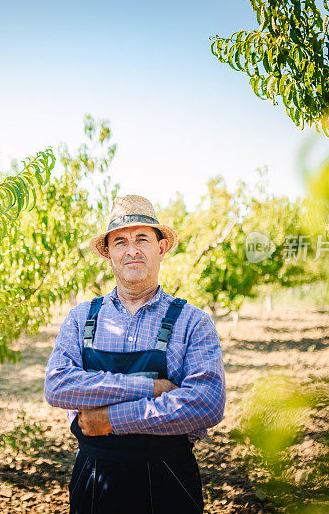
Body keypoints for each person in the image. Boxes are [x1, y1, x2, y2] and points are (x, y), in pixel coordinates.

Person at [44, 194, 226, 514]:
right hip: (94, 477)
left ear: (162, 248)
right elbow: (58, 386)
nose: (132, 250)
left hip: (168, 480)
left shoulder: (192, 321)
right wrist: (150, 388)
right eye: (120, 242)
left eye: (142, 238)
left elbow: (205, 404)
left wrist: (110, 419)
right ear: (109, 255)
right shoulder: (81, 318)